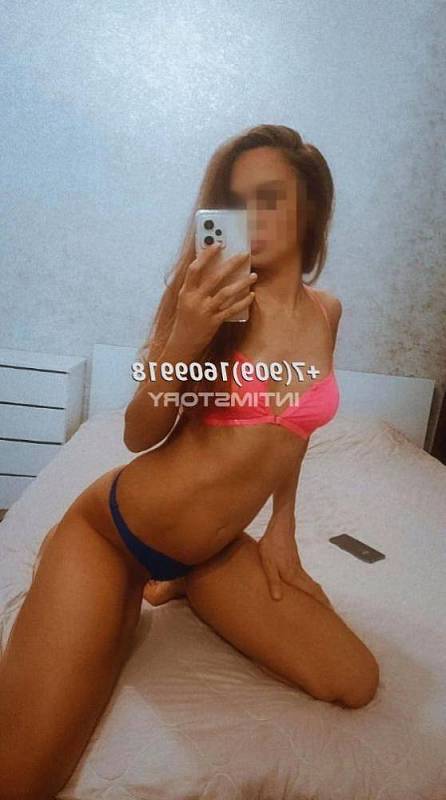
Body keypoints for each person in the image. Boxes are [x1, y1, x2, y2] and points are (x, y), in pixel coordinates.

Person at [0, 124, 379, 799]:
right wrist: (185, 335)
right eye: (238, 200)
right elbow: (138, 434)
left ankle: (176, 585)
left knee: (354, 681)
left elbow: (297, 427)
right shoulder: (211, 302)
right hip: (115, 535)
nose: (252, 216)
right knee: (26, 776)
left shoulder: (327, 313)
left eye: (271, 197)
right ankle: (107, 575)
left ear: (311, 208)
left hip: (211, 552)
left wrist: (282, 527)